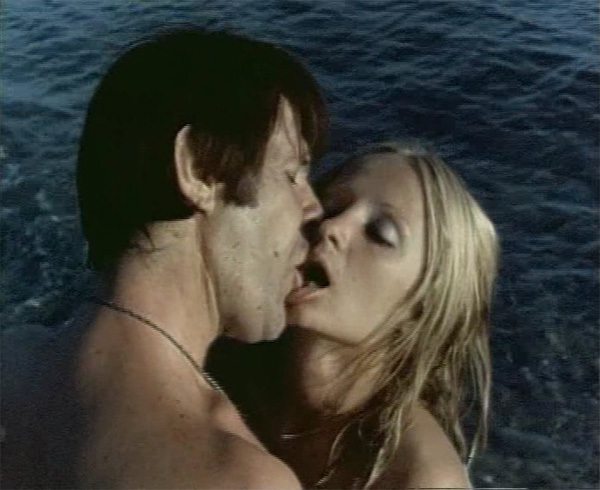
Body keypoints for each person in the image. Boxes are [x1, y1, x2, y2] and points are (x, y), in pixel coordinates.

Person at [1, 29, 326, 488]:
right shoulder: (238, 478)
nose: (313, 208)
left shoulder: (12, 364)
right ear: (198, 170)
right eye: (292, 174)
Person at [208, 140, 499, 488]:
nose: (332, 227)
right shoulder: (212, 362)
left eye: (379, 233)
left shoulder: (418, 478)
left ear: (420, 308)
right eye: (331, 205)